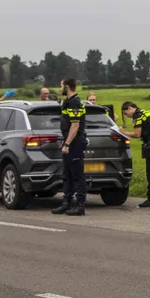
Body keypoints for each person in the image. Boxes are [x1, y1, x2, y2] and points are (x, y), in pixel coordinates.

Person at [119, 101, 150, 208]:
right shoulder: (148, 112)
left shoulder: (138, 116)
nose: (127, 116)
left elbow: (137, 134)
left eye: (126, 113)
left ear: (129, 108)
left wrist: (124, 132)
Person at [51, 78, 87, 216]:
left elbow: (75, 125)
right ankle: (67, 202)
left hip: (75, 142)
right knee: (67, 174)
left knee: (77, 174)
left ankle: (80, 205)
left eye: (61, 86)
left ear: (66, 87)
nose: (60, 88)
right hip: (69, 142)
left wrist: (67, 144)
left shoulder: (74, 103)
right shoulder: (68, 101)